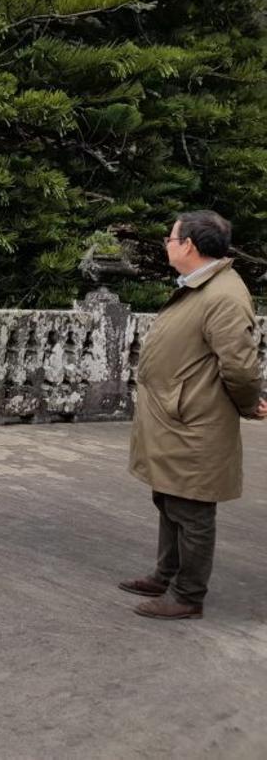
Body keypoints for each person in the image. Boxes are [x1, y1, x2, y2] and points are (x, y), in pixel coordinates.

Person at [123, 210, 267, 619]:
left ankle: (188, 595)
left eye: (171, 238)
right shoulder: (199, 286)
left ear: (188, 245)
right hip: (175, 416)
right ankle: (165, 574)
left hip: (194, 420)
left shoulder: (222, 295)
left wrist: (248, 403)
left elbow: (240, 366)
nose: (167, 244)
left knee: (192, 508)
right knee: (169, 498)